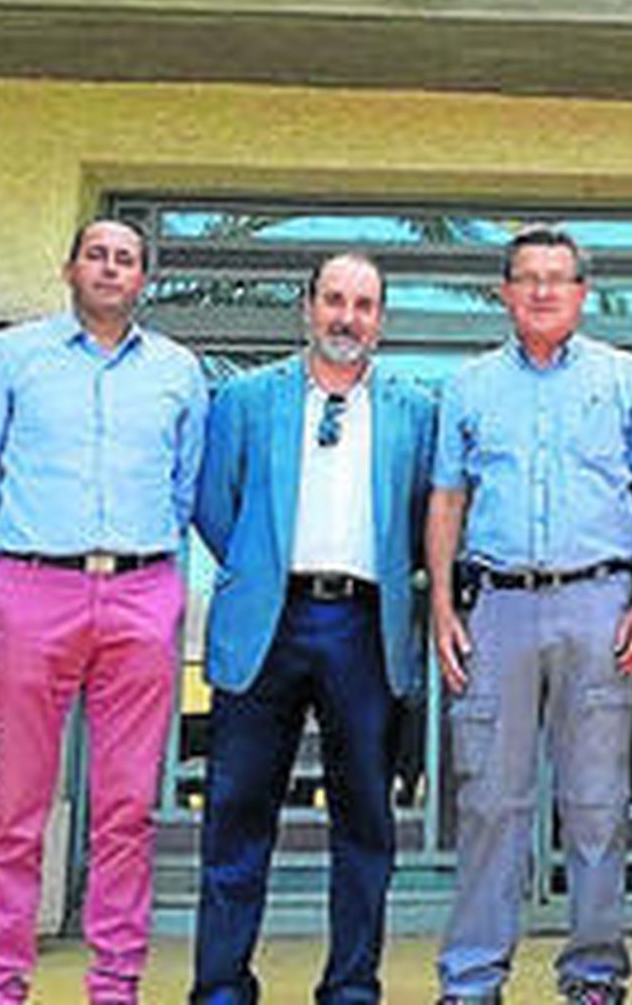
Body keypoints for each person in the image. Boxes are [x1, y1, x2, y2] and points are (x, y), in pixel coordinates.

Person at [0, 218, 208, 1005]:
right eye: (96, 254)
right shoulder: (8, 358)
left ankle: (115, 985)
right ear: (70, 269)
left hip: (140, 591)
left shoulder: (179, 370)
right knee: (18, 808)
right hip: (33, 590)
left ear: (143, 280)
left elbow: (185, 486)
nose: (110, 267)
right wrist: (12, 578)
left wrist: (162, 583)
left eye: (126, 258)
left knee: (126, 810)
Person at [428, 224, 632, 1004]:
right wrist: (442, 603)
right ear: (504, 292)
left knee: (598, 805)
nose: (543, 290)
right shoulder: (467, 385)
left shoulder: (630, 379)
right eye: (528, 277)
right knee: (489, 803)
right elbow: (448, 496)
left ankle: (595, 975)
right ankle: (472, 979)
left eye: (558, 278)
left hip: (600, 605)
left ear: (581, 293)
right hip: (498, 607)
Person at [188, 252, 435, 1003]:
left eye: (363, 305)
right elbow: (212, 505)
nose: (346, 318)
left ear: (381, 320)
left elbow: (427, 518)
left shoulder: (413, 410)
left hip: (364, 627)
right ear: (308, 307)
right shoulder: (244, 399)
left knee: (364, 819)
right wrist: (262, 570)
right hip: (268, 621)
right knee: (237, 813)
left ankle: (352, 985)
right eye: (334, 300)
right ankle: (222, 985)